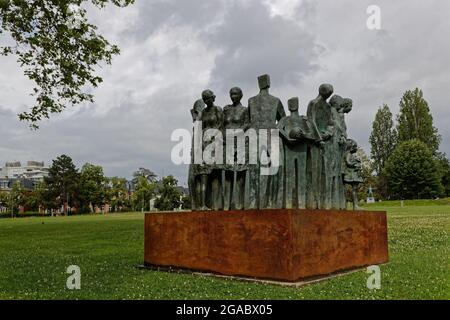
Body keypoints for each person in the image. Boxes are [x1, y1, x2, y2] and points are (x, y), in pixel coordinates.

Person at [247, 74, 286, 209]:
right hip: (265, 136)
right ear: (268, 83)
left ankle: (263, 202)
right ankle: (262, 202)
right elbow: (283, 120)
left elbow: (282, 120)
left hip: (263, 136)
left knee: (261, 170)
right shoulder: (256, 101)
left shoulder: (254, 100)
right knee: (264, 170)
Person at [278, 97, 317, 208]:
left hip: (301, 149)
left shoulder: (303, 120)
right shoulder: (285, 119)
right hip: (289, 150)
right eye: (290, 104)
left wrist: (303, 135)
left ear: (298, 105)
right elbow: (278, 128)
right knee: (289, 176)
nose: (292, 105)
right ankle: (288, 203)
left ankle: (301, 203)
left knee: (301, 176)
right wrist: (287, 138)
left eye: (294, 103)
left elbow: (312, 135)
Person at [306, 84, 335, 209]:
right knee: (313, 171)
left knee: (325, 171)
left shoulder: (328, 106)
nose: (329, 95)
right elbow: (310, 121)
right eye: (329, 93)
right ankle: (312, 200)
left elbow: (330, 123)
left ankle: (324, 201)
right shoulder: (313, 103)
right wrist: (318, 138)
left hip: (326, 141)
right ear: (323, 92)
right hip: (315, 142)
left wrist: (328, 133)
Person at [195, 90, 224, 210]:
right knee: (204, 176)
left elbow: (221, 125)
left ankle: (216, 204)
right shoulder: (203, 112)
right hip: (205, 143)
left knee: (216, 176)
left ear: (213, 98)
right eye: (205, 99)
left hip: (216, 142)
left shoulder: (218, 110)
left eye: (208, 98)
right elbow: (198, 126)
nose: (207, 101)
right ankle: (202, 205)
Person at [223, 87, 249, 210]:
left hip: (240, 142)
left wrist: (239, 132)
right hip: (227, 143)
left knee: (240, 174)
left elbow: (248, 124)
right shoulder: (226, 110)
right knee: (227, 174)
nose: (233, 96)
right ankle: (227, 204)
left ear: (241, 95)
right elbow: (221, 124)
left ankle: (239, 204)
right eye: (231, 94)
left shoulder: (244, 110)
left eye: (235, 94)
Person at [343, 139, 364, 210]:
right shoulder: (348, 154)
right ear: (351, 147)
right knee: (354, 189)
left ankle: (355, 205)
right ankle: (355, 205)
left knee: (355, 189)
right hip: (350, 175)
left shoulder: (351, 155)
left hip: (353, 175)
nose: (356, 149)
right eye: (355, 147)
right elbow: (348, 162)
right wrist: (355, 163)